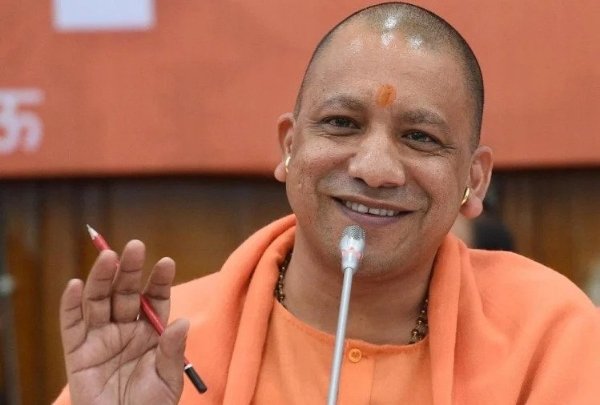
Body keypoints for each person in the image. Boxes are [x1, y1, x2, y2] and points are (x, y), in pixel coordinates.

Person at [54, 2, 600, 404]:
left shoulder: (548, 335)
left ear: (474, 182)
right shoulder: (170, 341)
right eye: (341, 124)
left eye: (420, 138)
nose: (374, 170)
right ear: (289, 147)